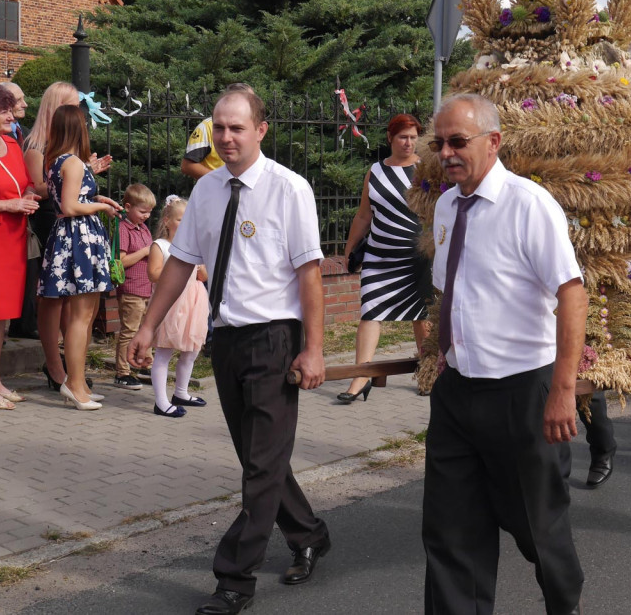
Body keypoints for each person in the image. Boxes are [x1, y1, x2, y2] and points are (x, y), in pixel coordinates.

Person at [128, 88, 330, 615]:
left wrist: (313, 349)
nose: (226, 137)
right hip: (228, 338)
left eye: (237, 128)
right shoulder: (209, 192)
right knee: (259, 458)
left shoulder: (291, 190)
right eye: (219, 127)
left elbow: (310, 274)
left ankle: (234, 580)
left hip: (275, 338)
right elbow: (179, 264)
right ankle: (308, 532)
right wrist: (148, 326)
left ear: (261, 130)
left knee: (260, 466)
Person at [423, 93, 586, 614]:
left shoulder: (528, 204)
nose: (445, 152)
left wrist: (562, 390)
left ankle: (565, 607)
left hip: (522, 392)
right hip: (458, 392)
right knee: (452, 531)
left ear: (493, 142)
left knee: (538, 528)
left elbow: (571, 293)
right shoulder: (447, 206)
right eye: (439, 143)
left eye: (457, 141)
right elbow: (453, 289)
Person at [24, 82, 111, 392]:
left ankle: (71, 370)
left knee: (75, 305)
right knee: (53, 298)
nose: (81, 111)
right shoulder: (38, 145)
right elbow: (39, 187)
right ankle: (57, 368)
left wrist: (85, 172)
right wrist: (76, 174)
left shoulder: (67, 155)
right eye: (74, 105)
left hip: (66, 217)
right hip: (52, 219)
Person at [338, 113, 431, 403]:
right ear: (390, 138)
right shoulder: (375, 171)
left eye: (414, 137)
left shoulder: (426, 169)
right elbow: (364, 214)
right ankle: (360, 376)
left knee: (422, 316)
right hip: (379, 257)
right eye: (403, 136)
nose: (409, 142)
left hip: (416, 255)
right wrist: (350, 247)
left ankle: (428, 375)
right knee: (370, 311)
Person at [37, 105, 121, 411]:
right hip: (78, 238)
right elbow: (71, 206)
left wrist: (98, 199)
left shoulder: (57, 160)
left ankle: (79, 381)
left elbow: (71, 199)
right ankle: (74, 384)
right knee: (80, 316)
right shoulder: (71, 162)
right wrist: (101, 208)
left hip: (75, 237)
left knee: (85, 314)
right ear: (79, 128)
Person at [0, 83, 39, 409]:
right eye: (3, 109)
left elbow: (23, 186)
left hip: (13, 237)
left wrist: (28, 197)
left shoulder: (12, 144)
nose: (11, 115)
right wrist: (9, 205)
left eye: (10, 108)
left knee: (2, 316)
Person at [147, 195, 209, 417]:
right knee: (164, 350)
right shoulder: (161, 246)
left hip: (194, 301)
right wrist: (175, 269)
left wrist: (200, 266)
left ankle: (181, 392)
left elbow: (202, 276)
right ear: (167, 221)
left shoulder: (194, 247)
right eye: (180, 220)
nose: (185, 225)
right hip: (171, 302)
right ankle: (161, 401)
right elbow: (153, 274)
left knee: (191, 350)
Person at [2, 82, 37, 340]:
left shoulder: (21, 135)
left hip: (21, 219)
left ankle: (21, 324)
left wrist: (27, 191)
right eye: (18, 99)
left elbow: (24, 177)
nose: (24, 104)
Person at [114, 183, 156, 389]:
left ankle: (142, 363)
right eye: (142, 211)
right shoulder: (124, 228)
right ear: (128, 206)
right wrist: (145, 252)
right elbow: (121, 261)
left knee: (145, 328)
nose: (146, 216)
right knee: (129, 331)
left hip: (146, 288)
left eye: (149, 212)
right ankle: (122, 371)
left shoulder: (143, 228)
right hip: (131, 289)